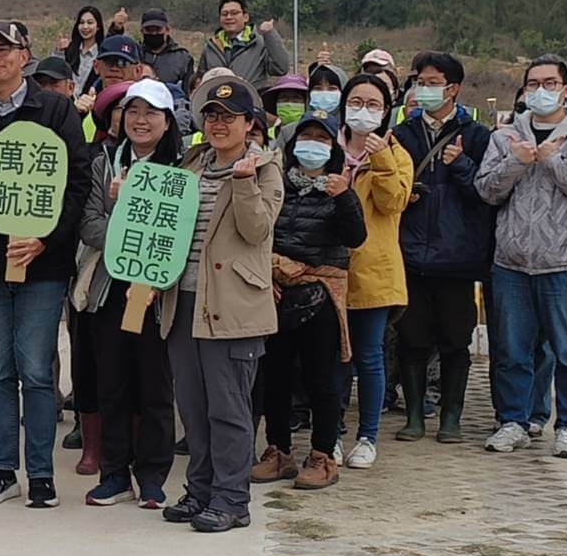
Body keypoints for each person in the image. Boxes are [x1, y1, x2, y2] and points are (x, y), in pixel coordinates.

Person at [0, 21, 91, 509]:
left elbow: (78, 186)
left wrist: (46, 240)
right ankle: (2, 470)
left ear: (23, 55)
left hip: (43, 264)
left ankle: (41, 473)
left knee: (34, 369)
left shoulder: (54, 110)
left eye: (4, 49)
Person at [157, 78, 281, 531]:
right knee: (192, 408)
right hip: (184, 301)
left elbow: (256, 230)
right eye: (211, 115)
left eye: (230, 116)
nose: (219, 124)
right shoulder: (191, 165)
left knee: (228, 409)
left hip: (233, 308)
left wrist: (244, 183)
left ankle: (232, 500)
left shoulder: (266, 170)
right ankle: (201, 490)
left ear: (251, 123)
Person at [476, 54, 567, 458]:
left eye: (549, 83)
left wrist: (553, 161)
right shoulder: (505, 136)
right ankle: (513, 420)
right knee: (512, 351)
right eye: (532, 84)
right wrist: (517, 162)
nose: (540, 91)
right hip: (512, 263)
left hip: (565, 264)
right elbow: (486, 189)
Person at [76, 79, 184, 507]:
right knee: (112, 383)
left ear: (166, 121)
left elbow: (180, 230)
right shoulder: (103, 161)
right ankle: (114, 473)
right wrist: (123, 214)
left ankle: (153, 475)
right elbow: (89, 223)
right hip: (108, 289)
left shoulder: (180, 168)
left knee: (156, 386)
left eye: (151, 113)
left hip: (158, 292)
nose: (140, 121)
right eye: (132, 112)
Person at [256, 109, 365, 491]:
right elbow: (261, 233)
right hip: (279, 292)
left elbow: (355, 238)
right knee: (276, 376)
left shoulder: (338, 188)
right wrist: (267, 276)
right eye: (306, 138)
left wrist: (346, 196)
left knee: (322, 379)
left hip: (321, 294)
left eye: (321, 139)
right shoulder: (278, 184)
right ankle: (278, 450)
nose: (312, 146)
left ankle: (322, 454)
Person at [389, 52, 494, 442]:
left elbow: (488, 192)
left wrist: (462, 165)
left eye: (432, 82)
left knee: (455, 341)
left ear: (453, 88)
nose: (424, 89)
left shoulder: (478, 136)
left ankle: (452, 417)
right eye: (420, 81)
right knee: (412, 340)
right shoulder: (402, 134)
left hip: (458, 258)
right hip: (412, 255)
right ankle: (415, 415)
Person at [336, 74, 412, 468]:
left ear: (386, 111)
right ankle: (329, 434)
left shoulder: (396, 153)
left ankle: (367, 436)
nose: (363, 110)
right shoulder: (324, 145)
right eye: (356, 101)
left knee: (368, 357)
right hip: (328, 270)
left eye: (373, 104)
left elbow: (393, 202)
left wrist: (379, 158)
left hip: (373, 272)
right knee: (333, 359)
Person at [201, 0, 290, 86]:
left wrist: (270, 35)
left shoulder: (260, 44)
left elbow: (280, 69)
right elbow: (200, 79)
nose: (229, 17)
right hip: (218, 99)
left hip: (252, 98)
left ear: (245, 17)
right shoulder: (211, 47)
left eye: (234, 13)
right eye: (224, 14)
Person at [139, 9, 194, 91]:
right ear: (142, 31)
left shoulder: (183, 58)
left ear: (167, 30)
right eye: (149, 30)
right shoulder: (135, 54)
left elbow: (189, 91)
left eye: (158, 29)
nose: (154, 33)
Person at [58, 5, 106, 93]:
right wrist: (59, 50)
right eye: (81, 22)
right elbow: (56, 70)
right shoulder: (69, 50)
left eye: (90, 23)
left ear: (98, 26)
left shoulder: (102, 54)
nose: (85, 27)